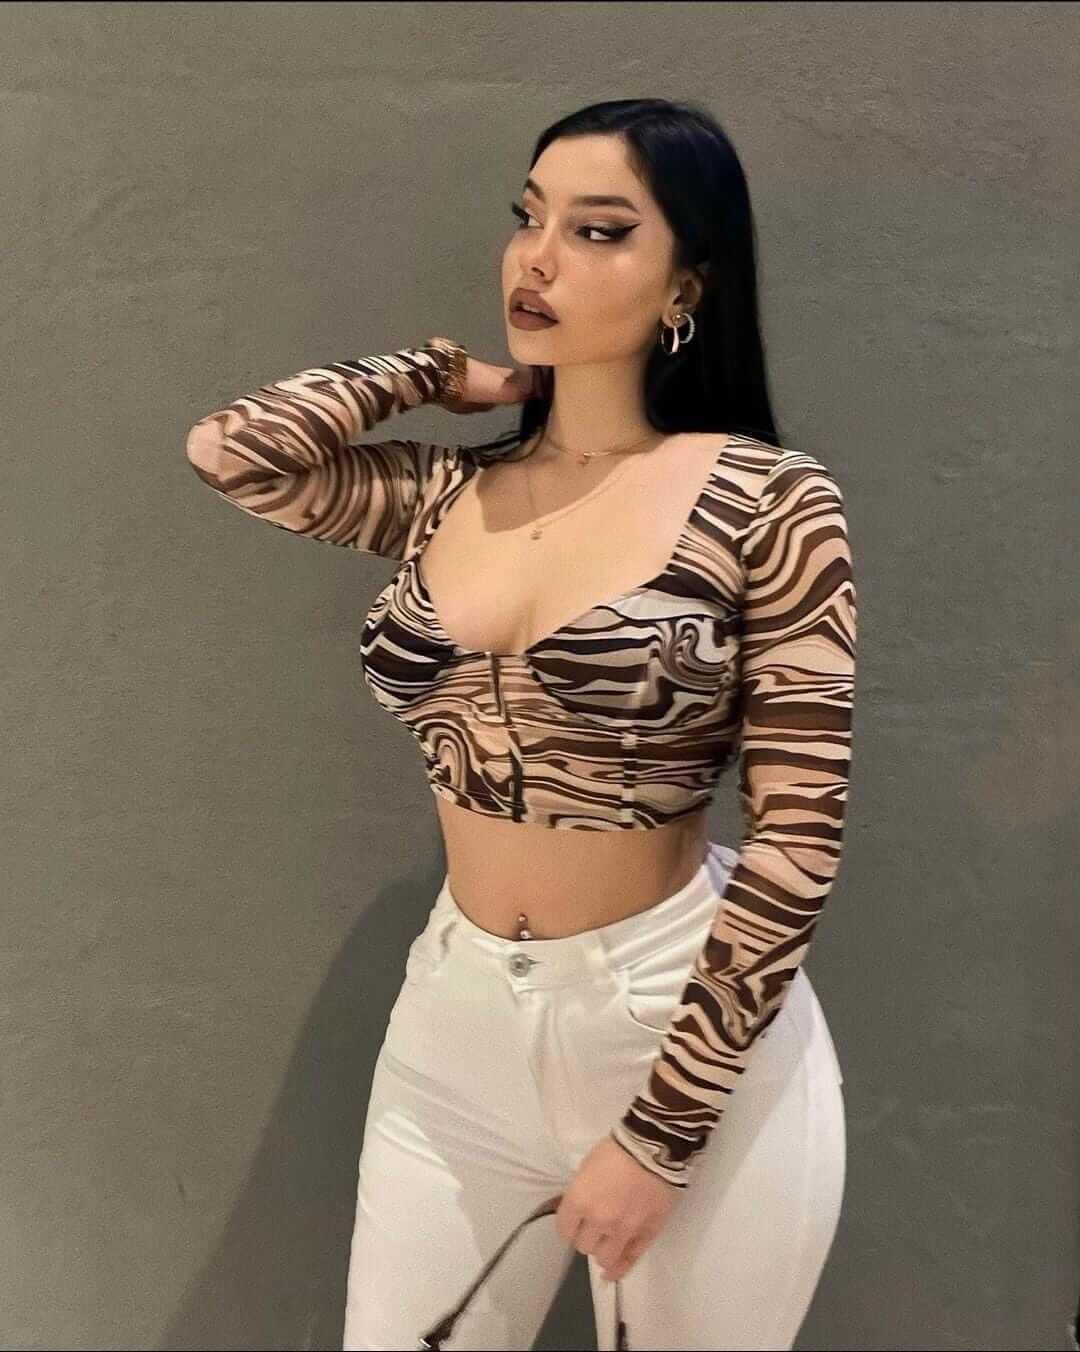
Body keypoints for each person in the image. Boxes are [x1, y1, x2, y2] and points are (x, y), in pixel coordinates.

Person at [186, 97, 857, 1352]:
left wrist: (662, 1133)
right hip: (458, 1027)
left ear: (686, 285)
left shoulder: (768, 501)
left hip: (675, 1020)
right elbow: (234, 452)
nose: (538, 258)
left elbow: (798, 836)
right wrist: (441, 374)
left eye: (599, 230)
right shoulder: (448, 492)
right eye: (528, 217)